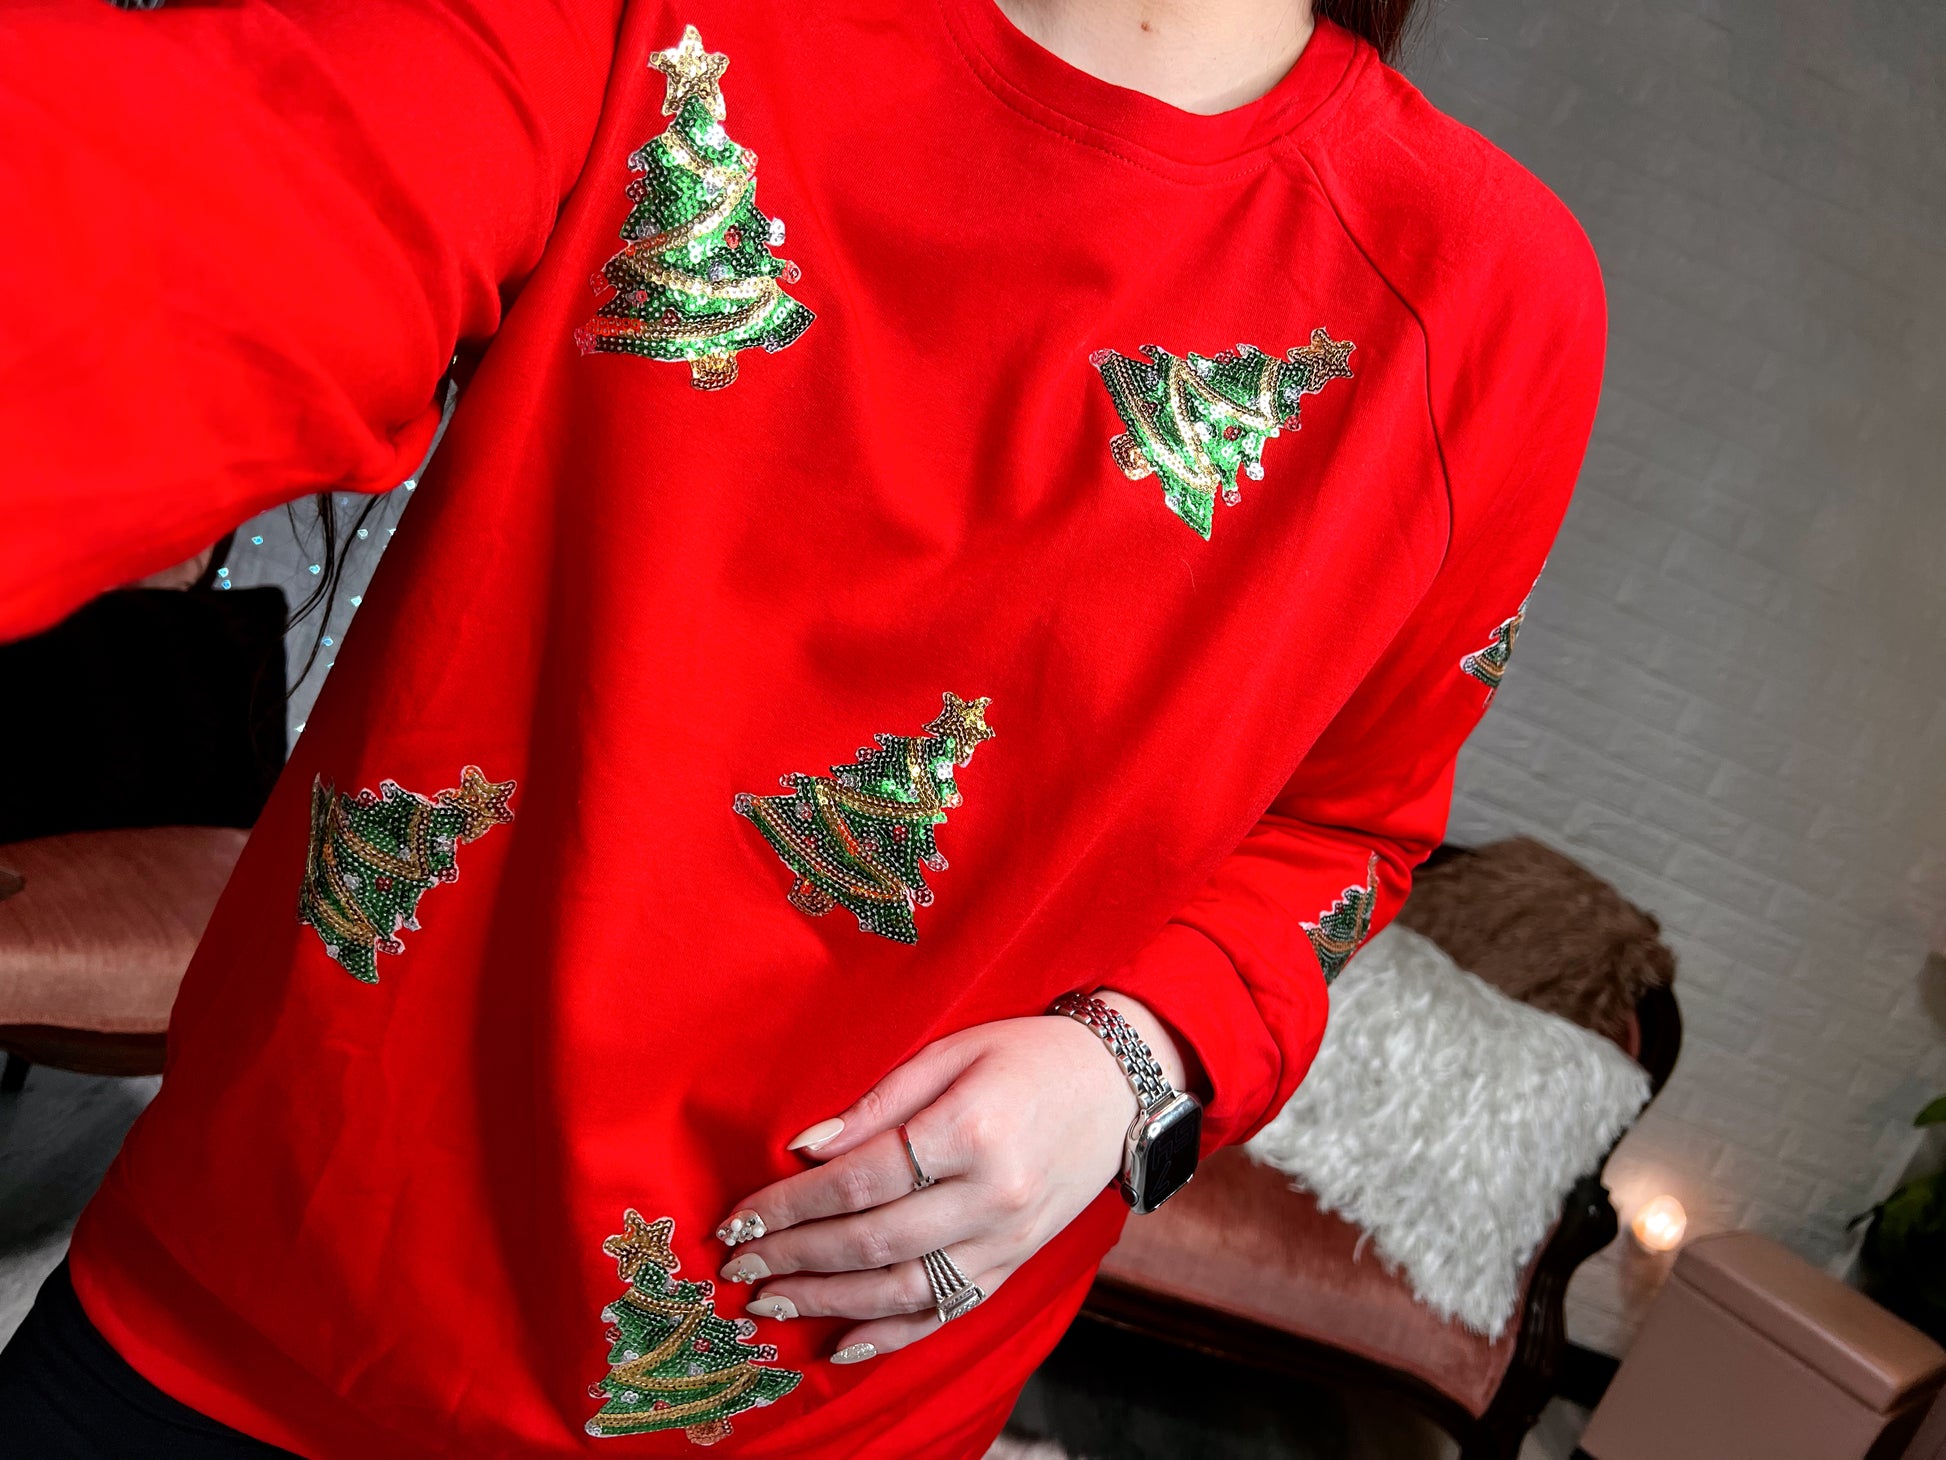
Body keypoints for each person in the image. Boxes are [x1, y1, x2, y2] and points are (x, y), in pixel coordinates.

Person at [0, 0, 1605, 1454]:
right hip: (245, 1312)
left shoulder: (1483, 296)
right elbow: (174, 224)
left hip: (822, 1406)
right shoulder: (657, 24)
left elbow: (1342, 827)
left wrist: (1135, 1064)